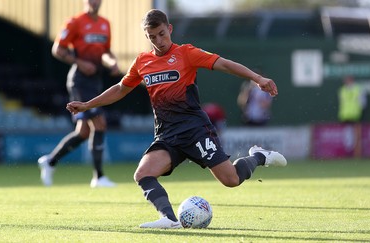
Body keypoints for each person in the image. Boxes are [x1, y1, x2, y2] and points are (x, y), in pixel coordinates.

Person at [66, 9, 287, 228]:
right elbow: (120, 89)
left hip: (195, 130)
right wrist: (87, 104)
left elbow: (225, 64)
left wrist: (257, 78)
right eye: (152, 37)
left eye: (162, 34)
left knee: (231, 180)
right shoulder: (142, 62)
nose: (158, 41)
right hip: (167, 134)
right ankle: (170, 219)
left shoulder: (186, 53)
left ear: (169, 29)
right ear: (147, 36)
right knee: (143, 174)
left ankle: (258, 156)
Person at [38, 0, 120, 188]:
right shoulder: (75, 22)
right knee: (100, 123)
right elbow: (58, 49)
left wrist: (112, 62)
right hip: (80, 81)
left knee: (83, 132)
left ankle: (50, 162)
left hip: (96, 80)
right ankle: (98, 177)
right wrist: (80, 62)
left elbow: (106, 52)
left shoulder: (105, 24)